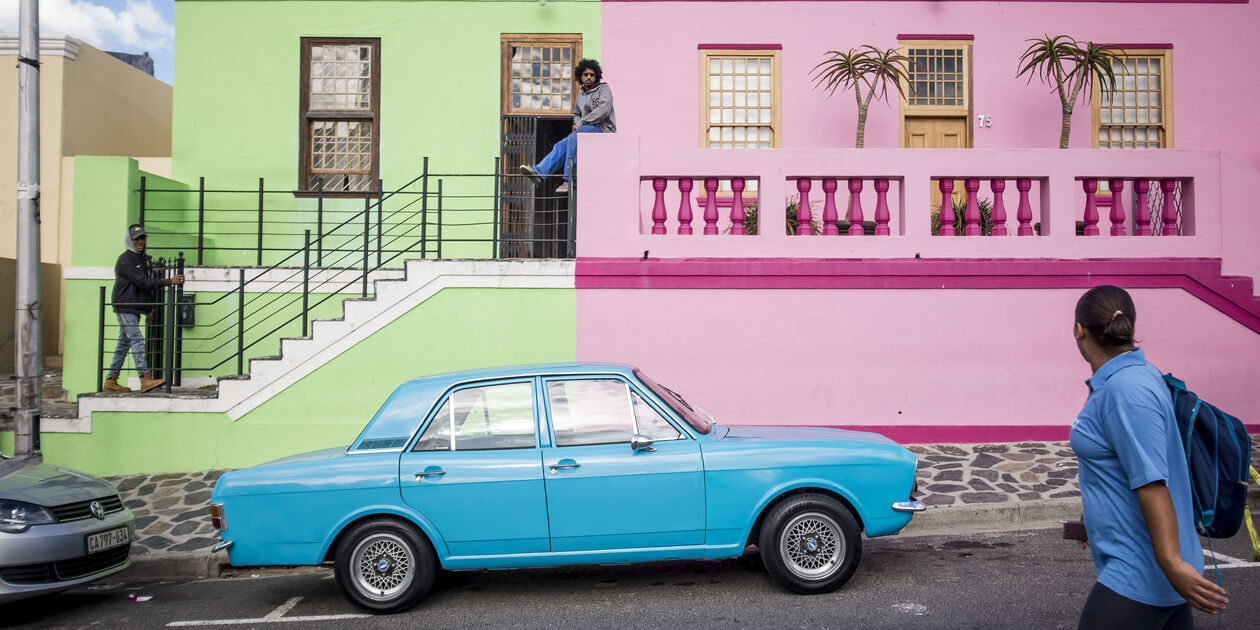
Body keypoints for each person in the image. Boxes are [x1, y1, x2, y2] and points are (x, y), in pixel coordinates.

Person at [1069, 285, 1228, 630]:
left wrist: (1171, 564)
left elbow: (1152, 482)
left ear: (1078, 329)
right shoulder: (1129, 378)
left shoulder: (1126, 391)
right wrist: (1092, 513)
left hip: (1141, 570)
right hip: (1154, 568)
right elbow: (1119, 458)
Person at [102, 224, 184, 393]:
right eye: (136, 239)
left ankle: (111, 380)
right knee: (137, 339)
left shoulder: (144, 259)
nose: (140, 242)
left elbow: (145, 286)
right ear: (129, 241)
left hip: (135, 306)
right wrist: (170, 281)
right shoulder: (125, 260)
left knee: (123, 344)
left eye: (142, 238)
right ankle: (144, 378)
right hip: (125, 305)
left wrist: (149, 308)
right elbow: (143, 282)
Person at [520, 58, 616, 194]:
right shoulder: (580, 96)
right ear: (580, 77)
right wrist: (577, 123)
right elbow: (576, 113)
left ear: (596, 76)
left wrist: (581, 123)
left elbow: (603, 110)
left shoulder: (603, 89)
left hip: (602, 128)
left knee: (573, 138)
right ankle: (539, 172)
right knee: (560, 145)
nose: (589, 77)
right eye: (585, 74)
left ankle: (570, 179)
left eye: (592, 75)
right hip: (586, 129)